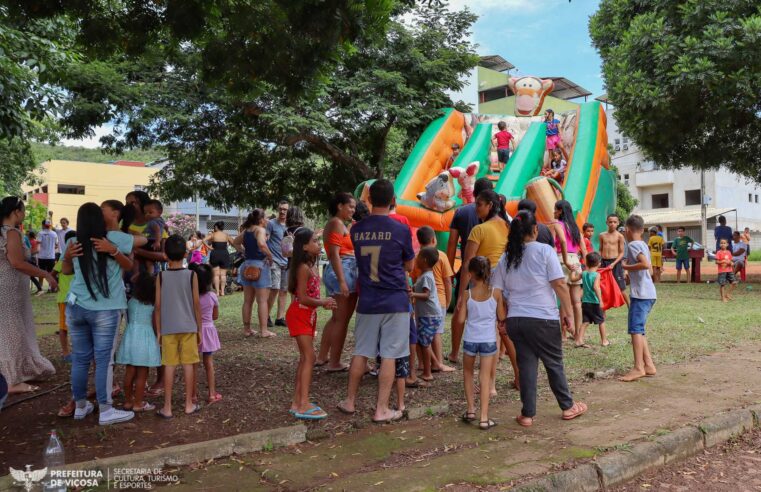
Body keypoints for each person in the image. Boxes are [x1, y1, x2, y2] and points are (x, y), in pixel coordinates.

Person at [499, 210, 587, 427]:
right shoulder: (545, 251)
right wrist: (567, 313)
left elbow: (497, 292)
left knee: (526, 365)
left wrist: (502, 319)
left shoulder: (505, 256)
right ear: (535, 230)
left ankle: (527, 414)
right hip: (542, 319)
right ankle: (568, 407)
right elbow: (559, 284)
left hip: (516, 321)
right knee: (553, 363)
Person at [337, 179, 414, 423]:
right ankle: (381, 409)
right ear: (393, 200)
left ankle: (350, 401)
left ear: (368, 200)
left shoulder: (357, 229)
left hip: (368, 300)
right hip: (395, 301)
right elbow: (409, 265)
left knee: (361, 352)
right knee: (390, 354)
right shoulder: (401, 230)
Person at [63, 201, 145, 425]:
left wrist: (68, 257)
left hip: (76, 306)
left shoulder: (72, 240)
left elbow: (66, 270)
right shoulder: (113, 238)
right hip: (105, 310)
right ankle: (106, 410)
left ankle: (80, 406)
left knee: (80, 359)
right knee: (103, 360)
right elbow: (130, 263)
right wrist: (114, 250)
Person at [459, 190, 516, 396]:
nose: (476, 209)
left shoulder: (479, 230)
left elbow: (467, 264)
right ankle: (505, 380)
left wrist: (461, 294)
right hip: (505, 286)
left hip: (484, 286)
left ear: (490, 205)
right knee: (500, 334)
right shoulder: (508, 227)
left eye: (479, 205)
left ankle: (490, 385)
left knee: (491, 334)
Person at [0, 197, 57, 394]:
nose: (24, 214)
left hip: (6, 286)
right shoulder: (12, 233)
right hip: (9, 288)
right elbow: (17, 262)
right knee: (12, 331)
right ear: (16, 211)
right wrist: (45, 274)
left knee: (6, 330)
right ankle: (12, 380)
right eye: (23, 210)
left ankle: (9, 375)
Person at [286, 228, 337, 420]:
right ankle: (303, 403)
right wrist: (323, 302)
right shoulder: (303, 268)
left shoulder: (309, 266)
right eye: (315, 241)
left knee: (305, 358)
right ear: (305, 246)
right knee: (309, 357)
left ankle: (298, 401)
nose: (319, 244)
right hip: (300, 314)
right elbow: (302, 297)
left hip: (307, 315)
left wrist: (321, 302)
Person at [446, 178, 493, 363]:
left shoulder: (462, 212)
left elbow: (452, 244)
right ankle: (489, 354)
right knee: (489, 313)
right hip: (489, 271)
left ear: (474, 193)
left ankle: (455, 353)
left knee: (460, 310)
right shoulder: (498, 217)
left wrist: (449, 271)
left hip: (468, 269)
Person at [456, 256, 505, 430]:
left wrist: (464, 307)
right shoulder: (496, 292)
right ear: (488, 273)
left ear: (471, 274)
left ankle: (470, 410)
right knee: (485, 378)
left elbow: (461, 320)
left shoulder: (467, 294)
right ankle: (484, 418)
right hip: (488, 341)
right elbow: (501, 317)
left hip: (470, 339)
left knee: (468, 374)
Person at [155, 235, 202, 418]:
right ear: (185, 253)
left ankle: (167, 407)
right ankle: (189, 404)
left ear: (165, 254)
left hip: (168, 328)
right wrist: (200, 329)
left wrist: (159, 330)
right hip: (189, 326)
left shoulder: (161, 276)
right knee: (189, 364)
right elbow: (196, 305)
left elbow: (157, 306)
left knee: (169, 365)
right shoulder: (192, 275)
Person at [318, 193, 358, 371]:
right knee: (341, 320)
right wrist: (342, 281)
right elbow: (334, 254)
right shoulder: (336, 223)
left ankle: (323, 356)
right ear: (340, 206)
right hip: (342, 270)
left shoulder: (342, 224)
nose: (353, 210)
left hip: (343, 270)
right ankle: (334, 362)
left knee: (336, 319)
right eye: (350, 206)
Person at [115, 271, 161, 413]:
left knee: (129, 372)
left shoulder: (131, 301)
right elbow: (155, 324)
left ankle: (128, 401)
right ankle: (138, 403)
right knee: (142, 374)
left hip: (130, 337)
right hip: (145, 338)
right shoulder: (152, 305)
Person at [619, 214, 658, 382]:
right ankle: (648, 365)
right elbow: (648, 271)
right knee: (640, 329)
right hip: (647, 293)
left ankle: (638, 367)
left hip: (641, 295)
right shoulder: (643, 244)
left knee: (635, 329)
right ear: (642, 230)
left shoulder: (633, 245)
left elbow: (645, 265)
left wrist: (626, 267)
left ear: (627, 230)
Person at [412, 226, 454, 373]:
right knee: (436, 332)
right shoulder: (441, 255)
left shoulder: (417, 257)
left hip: (421, 303)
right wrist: (448, 301)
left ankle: (423, 363)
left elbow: (414, 279)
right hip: (439, 299)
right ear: (433, 239)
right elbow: (447, 281)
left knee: (420, 332)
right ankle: (438, 363)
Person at [234, 210, 275, 338]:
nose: (267, 220)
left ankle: (247, 329)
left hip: (247, 265)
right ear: (261, 219)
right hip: (260, 266)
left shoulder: (246, 231)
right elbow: (262, 244)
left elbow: (235, 242)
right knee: (262, 301)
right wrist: (270, 255)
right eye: (266, 217)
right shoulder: (260, 230)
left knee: (247, 301)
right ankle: (264, 331)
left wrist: (244, 252)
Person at [551, 200, 587, 340]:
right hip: (576, 261)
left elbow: (562, 241)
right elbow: (583, 248)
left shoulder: (557, 225)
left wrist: (565, 260)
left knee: (563, 300)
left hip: (562, 259)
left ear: (560, 211)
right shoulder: (575, 227)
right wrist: (586, 265)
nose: (553, 212)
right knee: (577, 302)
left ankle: (564, 334)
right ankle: (578, 334)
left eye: (555, 209)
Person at [189, 263, 222, 405]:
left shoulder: (191, 296)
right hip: (208, 331)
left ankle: (193, 395)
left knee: (193, 365)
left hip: (194, 331)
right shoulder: (212, 296)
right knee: (209, 363)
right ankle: (212, 394)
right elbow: (215, 316)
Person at [410, 247, 442, 383]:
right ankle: (427, 369)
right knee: (423, 342)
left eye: (417, 257)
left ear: (424, 260)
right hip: (426, 315)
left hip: (430, 315)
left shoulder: (427, 277)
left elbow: (426, 295)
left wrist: (412, 294)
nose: (415, 260)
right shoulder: (423, 276)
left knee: (424, 343)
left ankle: (427, 372)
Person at [53, 230, 77, 362]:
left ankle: (76, 352)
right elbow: (52, 274)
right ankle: (66, 352)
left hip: (77, 298)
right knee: (64, 327)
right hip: (64, 299)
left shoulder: (80, 257)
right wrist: (56, 285)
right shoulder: (62, 259)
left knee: (76, 326)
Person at [577, 252, 609, 347]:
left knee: (585, 322)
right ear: (599, 263)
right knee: (601, 321)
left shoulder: (583, 273)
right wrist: (601, 300)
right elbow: (596, 287)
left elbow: (573, 279)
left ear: (586, 262)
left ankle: (579, 340)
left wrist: (573, 271)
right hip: (594, 302)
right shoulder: (596, 275)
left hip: (585, 302)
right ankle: (604, 341)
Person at [266, 200, 290, 328]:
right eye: (281, 208)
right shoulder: (271, 224)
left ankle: (280, 317)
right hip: (274, 260)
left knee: (284, 290)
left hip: (286, 261)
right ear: (277, 209)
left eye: (285, 209)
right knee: (274, 288)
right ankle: (266, 316)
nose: (282, 211)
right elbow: (265, 239)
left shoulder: (289, 225)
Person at [598, 214, 628, 306]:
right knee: (602, 285)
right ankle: (603, 308)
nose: (612, 224)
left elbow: (622, 253)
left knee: (621, 287)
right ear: (607, 222)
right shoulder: (602, 235)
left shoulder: (620, 236)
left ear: (618, 223)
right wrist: (599, 261)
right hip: (603, 262)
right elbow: (600, 249)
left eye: (615, 222)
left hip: (615, 262)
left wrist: (614, 263)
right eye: (610, 222)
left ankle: (629, 306)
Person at [205, 221, 235, 297]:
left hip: (215, 253)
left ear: (216, 227)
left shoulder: (213, 234)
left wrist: (209, 247)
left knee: (216, 274)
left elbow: (203, 240)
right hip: (224, 254)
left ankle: (217, 292)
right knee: (223, 274)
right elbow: (233, 243)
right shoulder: (226, 235)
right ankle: (223, 292)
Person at [38, 219, 58, 292]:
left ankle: (40, 288)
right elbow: (56, 245)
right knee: (51, 273)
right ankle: (50, 287)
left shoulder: (40, 233)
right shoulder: (54, 234)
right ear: (50, 225)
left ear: (43, 225)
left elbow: (38, 244)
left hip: (42, 256)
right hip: (51, 256)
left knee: (41, 272)